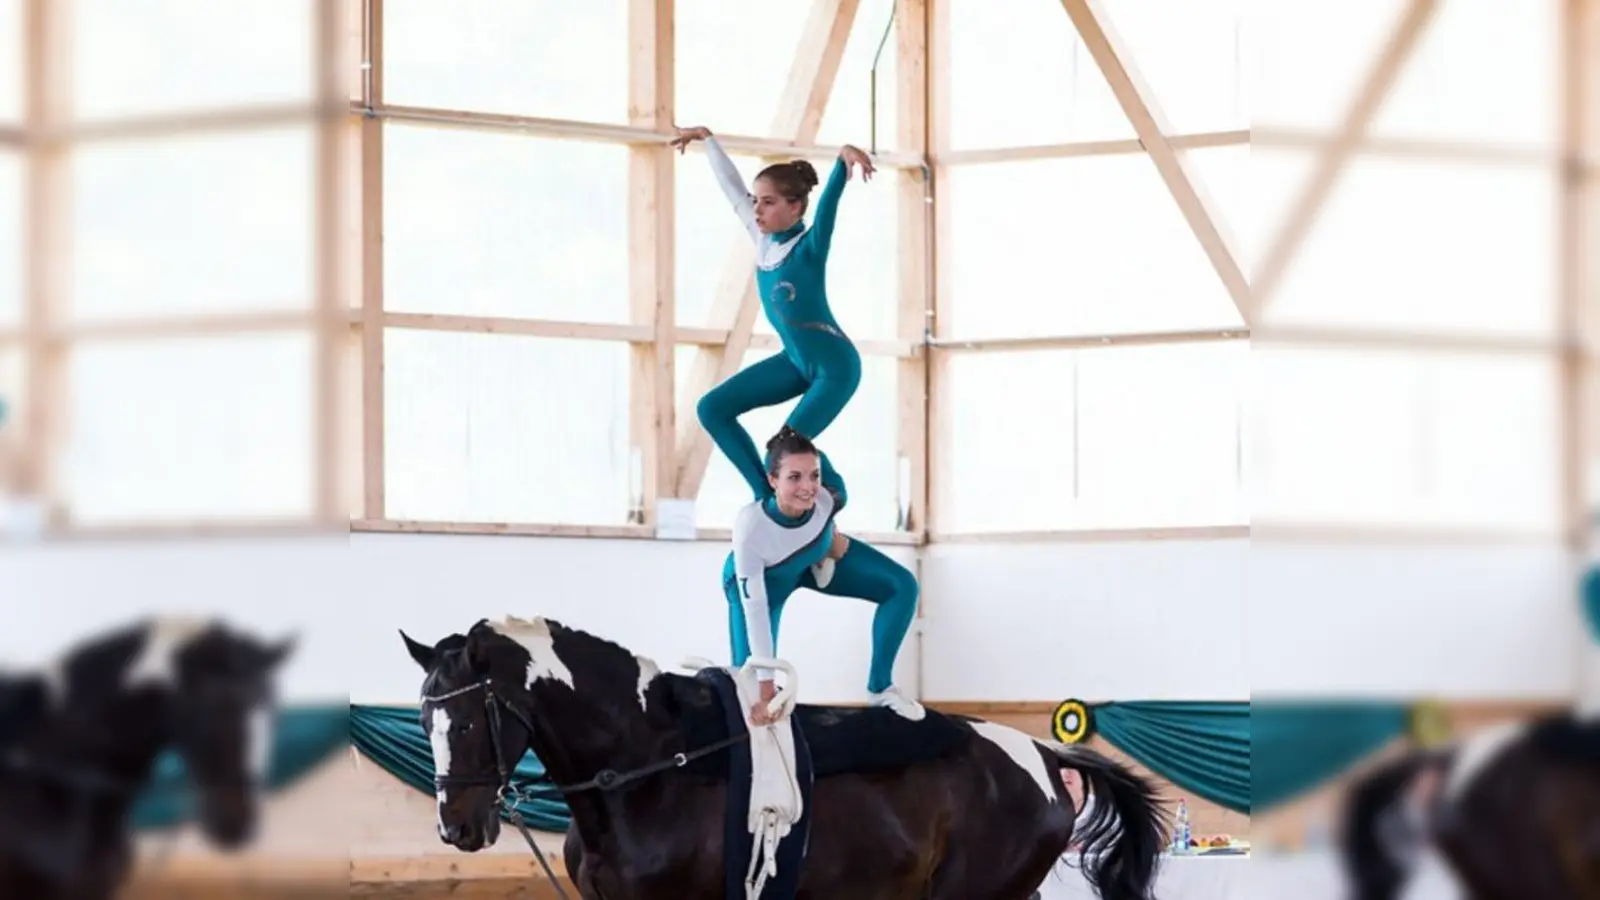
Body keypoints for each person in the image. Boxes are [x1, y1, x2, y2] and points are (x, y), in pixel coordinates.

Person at [669, 124, 875, 507]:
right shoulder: (761, 237)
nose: (757, 209)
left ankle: (835, 491)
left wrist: (841, 162)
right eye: (757, 201)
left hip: (835, 369)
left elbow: (828, 209)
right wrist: (708, 140)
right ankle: (766, 498)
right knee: (712, 408)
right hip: (794, 361)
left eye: (768, 202)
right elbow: (731, 188)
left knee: (785, 448)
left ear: (794, 207)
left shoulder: (809, 248)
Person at [724, 427, 924, 723]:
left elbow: (818, 516)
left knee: (902, 586)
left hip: (810, 560)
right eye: (794, 477)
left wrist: (829, 539)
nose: (807, 487)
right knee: (749, 693)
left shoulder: (829, 496)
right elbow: (755, 610)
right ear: (772, 480)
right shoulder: (751, 528)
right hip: (766, 585)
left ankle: (881, 688)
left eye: (814, 475)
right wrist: (766, 687)